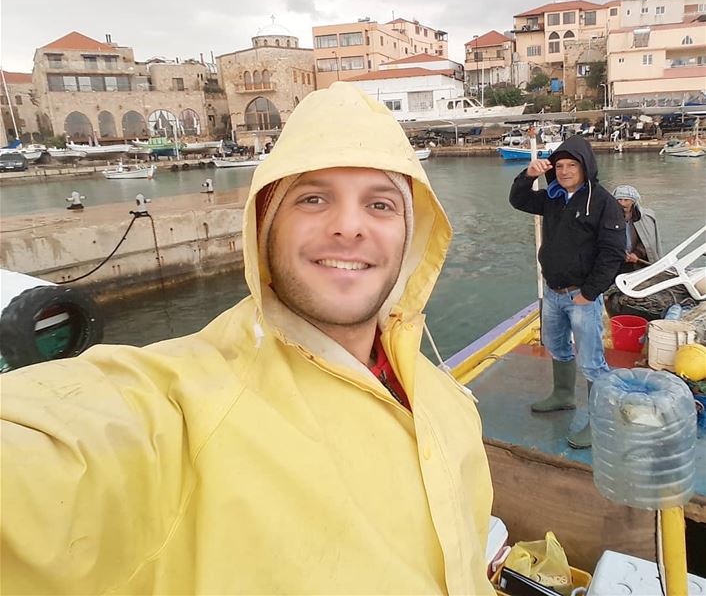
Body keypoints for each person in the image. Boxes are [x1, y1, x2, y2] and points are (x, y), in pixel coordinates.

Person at [0, 83, 494, 595]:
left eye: (382, 205)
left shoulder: (446, 402)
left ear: (410, 236)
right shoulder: (184, 406)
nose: (349, 226)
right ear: (264, 229)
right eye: (313, 198)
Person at [509, 136, 626, 449]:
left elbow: (612, 253)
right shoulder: (553, 197)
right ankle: (563, 395)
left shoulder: (603, 203)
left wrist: (589, 293)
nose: (564, 171)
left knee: (592, 362)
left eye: (571, 165)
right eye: (559, 166)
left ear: (585, 166)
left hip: (582, 297)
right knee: (557, 347)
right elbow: (518, 200)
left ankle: (600, 419)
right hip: (553, 292)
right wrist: (528, 176)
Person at [612, 184, 663, 274]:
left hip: (638, 261)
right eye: (619, 200)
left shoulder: (645, 217)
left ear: (633, 201)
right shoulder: (607, 218)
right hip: (616, 260)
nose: (622, 203)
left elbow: (648, 241)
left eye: (626, 200)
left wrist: (636, 253)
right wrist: (619, 252)